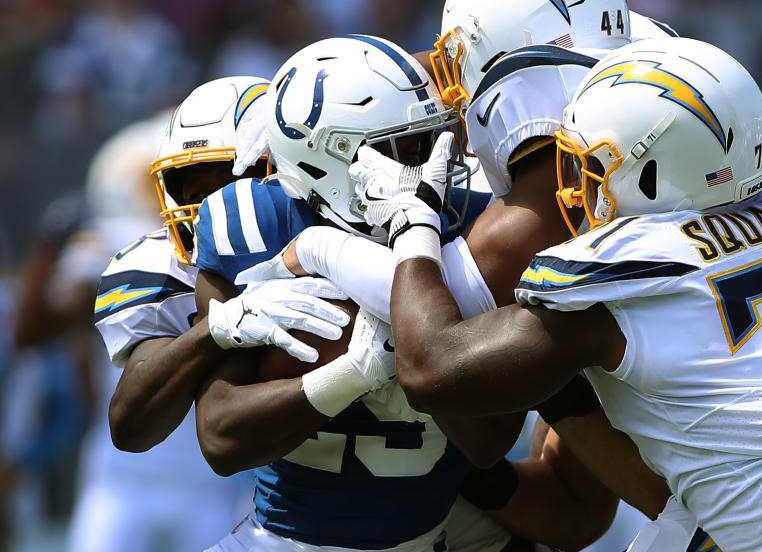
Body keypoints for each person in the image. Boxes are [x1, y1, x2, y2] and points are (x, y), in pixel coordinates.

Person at [353, 36, 762, 552]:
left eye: (588, 162)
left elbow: (433, 367)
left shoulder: (624, 283)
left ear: (647, 172)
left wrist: (413, 223)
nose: (576, 182)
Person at [248, 0, 683, 547]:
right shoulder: (688, 132)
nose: (453, 95)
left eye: (457, 64)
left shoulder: (537, 215)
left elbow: (432, 361)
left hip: (755, 507)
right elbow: (574, 508)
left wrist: (323, 248)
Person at [191, 35, 548, 552]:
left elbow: (489, 441)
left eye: (435, 139)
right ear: (328, 161)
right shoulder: (252, 222)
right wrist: (352, 372)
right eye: (410, 147)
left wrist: (379, 254)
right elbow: (221, 435)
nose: (435, 167)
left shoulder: (472, 223)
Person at [89, 78, 350, 552]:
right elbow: (130, 425)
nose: (206, 209)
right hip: (186, 485)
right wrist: (219, 328)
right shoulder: (161, 266)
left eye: (226, 184)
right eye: (191, 186)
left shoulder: (338, 243)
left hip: (279, 498)